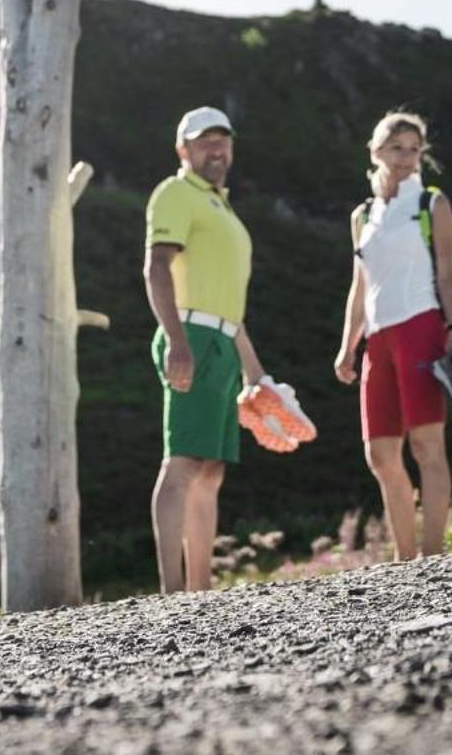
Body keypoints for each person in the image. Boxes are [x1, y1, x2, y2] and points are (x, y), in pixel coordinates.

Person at [144, 106, 275, 593]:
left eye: (223, 141)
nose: (216, 149)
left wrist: (253, 372)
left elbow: (228, 303)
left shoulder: (222, 207)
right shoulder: (177, 192)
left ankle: (200, 590)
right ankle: (172, 592)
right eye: (204, 142)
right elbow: (156, 267)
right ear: (183, 150)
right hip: (192, 337)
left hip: (219, 339)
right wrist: (178, 342)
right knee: (182, 462)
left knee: (210, 470)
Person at [331, 112, 452, 560]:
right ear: (376, 152)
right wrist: (348, 345)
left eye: (414, 149)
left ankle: (432, 555)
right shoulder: (364, 215)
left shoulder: (432, 204)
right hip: (379, 340)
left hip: (421, 326)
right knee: (381, 454)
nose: (407, 158)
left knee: (426, 444)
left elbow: (446, 275)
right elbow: (359, 284)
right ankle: (405, 559)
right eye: (397, 148)